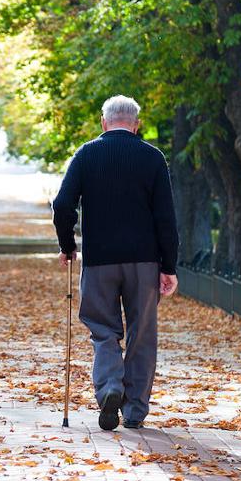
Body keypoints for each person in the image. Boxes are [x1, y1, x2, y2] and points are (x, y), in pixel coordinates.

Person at [52, 95, 179, 431]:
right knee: (142, 332)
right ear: (136, 125)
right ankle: (135, 410)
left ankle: (110, 386)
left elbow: (62, 205)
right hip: (144, 262)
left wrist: (68, 245)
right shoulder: (152, 158)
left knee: (102, 329)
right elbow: (166, 218)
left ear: (103, 122)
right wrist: (169, 266)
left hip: (99, 262)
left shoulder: (87, 154)